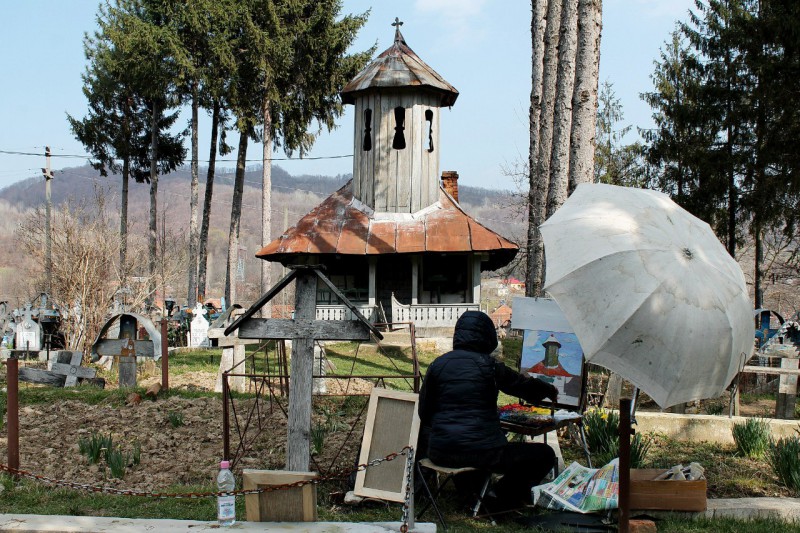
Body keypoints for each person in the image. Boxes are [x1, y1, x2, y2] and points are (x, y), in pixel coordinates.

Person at [418, 310, 558, 513]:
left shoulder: (437, 365)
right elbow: (523, 386)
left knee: (476, 449)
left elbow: (425, 412)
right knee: (544, 454)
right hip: (481, 453)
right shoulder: (490, 367)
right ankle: (500, 497)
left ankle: (475, 496)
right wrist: (548, 389)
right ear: (487, 336)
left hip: (441, 452)